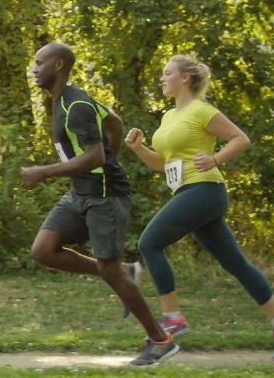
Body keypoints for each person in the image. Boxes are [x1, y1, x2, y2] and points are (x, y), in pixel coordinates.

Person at [125, 54, 274, 362]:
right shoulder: (169, 117)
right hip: (188, 191)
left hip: (205, 190)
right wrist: (139, 147)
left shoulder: (202, 110)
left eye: (167, 73)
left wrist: (216, 158)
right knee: (235, 263)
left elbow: (240, 139)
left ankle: (172, 318)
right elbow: (161, 164)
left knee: (149, 243)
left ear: (185, 78)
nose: (162, 78)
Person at [20, 43, 179, 367]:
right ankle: (125, 273)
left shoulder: (75, 105)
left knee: (109, 268)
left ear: (59, 65)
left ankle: (161, 340)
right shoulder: (66, 100)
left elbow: (95, 155)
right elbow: (115, 121)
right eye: (34, 63)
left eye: (40, 62)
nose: (35, 68)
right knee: (43, 251)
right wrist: (108, 158)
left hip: (104, 195)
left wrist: (45, 171)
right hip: (80, 192)